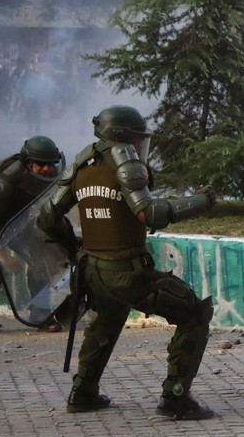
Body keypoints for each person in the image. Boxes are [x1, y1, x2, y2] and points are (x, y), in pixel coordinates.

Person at [37, 105, 219, 420]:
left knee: (107, 318)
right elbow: (150, 214)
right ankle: (176, 397)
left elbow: (47, 217)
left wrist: (74, 246)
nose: (139, 147)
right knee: (194, 312)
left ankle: (83, 391)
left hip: (93, 271)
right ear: (121, 136)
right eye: (137, 139)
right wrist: (201, 202)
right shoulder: (125, 164)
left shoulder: (82, 163)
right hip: (127, 272)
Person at [0, 136, 65, 336]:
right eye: (41, 164)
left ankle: (41, 314)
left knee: (37, 261)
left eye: (50, 164)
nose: (47, 169)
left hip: (15, 219)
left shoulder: (48, 175)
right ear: (28, 163)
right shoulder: (5, 181)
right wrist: (3, 255)